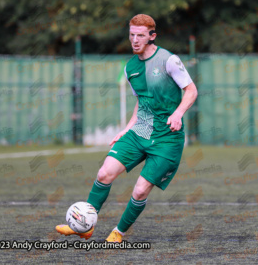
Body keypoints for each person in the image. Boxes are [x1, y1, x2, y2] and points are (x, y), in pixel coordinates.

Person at [56, 14, 198, 242]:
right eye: (131, 35)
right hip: (139, 132)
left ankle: (118, 232)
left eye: (140, 35)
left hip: (166, 139)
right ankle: (85, 226)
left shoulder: (169, 60)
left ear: (152, 36)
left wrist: (178, 113)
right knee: (104, 173)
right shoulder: (130, 67)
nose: (135, 40)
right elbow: (141, 103)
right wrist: (127, 128)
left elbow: (191, 91)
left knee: (140, 190)